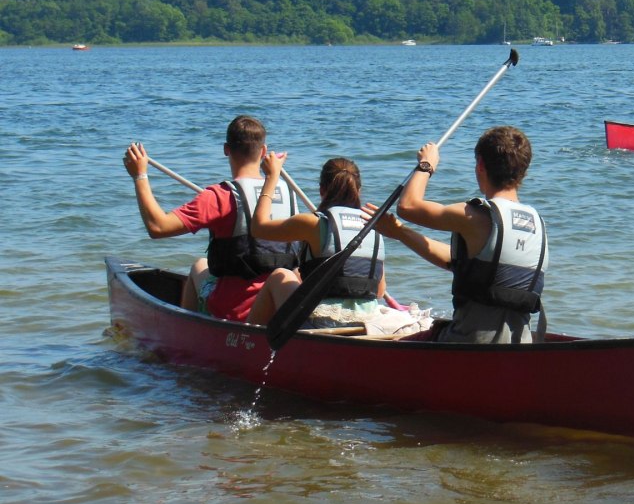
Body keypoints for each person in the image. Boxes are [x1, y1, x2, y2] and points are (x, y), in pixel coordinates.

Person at [122, 115, 301, 322]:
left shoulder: (220, 196)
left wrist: (140, 176)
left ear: (226, 149)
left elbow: (157, 227)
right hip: (276, 304)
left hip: (235, 310)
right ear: (263, 151)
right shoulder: (288, 194)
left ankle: (188, 334)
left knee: (199, 266)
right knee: (201, 264)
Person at [244, 153, 444, 333]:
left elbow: (258, 228)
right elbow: (380, 291)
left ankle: (248, 343)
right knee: (298, 273)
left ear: (322, 190)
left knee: (280, 275)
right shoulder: (375, 224)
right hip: (367, 320)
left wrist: (271, 178)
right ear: (359, 190)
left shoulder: (313, 222)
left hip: (323, 323)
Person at [397, 125, 548, 344]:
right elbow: (458, 262)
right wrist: (400, 232)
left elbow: (407, 206)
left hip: (468, 343)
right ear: (524, 170)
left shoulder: (476, 215)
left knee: (403, 343)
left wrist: (426, 164)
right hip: (520, 345)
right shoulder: (538, 223)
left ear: (480, 166)